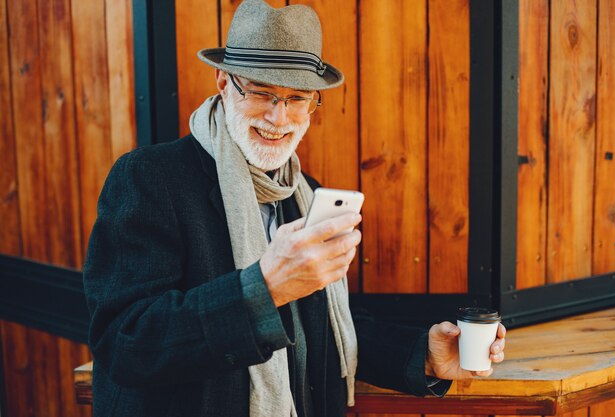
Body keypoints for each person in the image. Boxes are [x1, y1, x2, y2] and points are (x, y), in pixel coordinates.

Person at [83, 1, 506, 416]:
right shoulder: (149, 177)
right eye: (262, 92)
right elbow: (125, 342)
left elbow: (325, 327)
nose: (278, 117)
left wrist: (424, 356)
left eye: (297, 98)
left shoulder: (303, 192)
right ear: (222, 81)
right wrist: (264, 288)